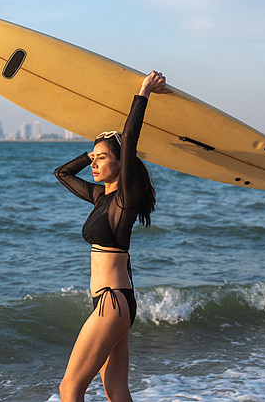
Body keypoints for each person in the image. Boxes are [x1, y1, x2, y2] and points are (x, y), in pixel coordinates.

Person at [54, 70, 171, 402]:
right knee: (116, 391)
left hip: (112, 302)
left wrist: (144, 92)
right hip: (113, 302)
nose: (94, 164)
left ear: (121, 164)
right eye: (93, 159)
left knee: (69, 389)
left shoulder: (125, 200)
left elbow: (129, 139)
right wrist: (93, 150)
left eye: (102, 158)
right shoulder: (100, 198)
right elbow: (62, 173)